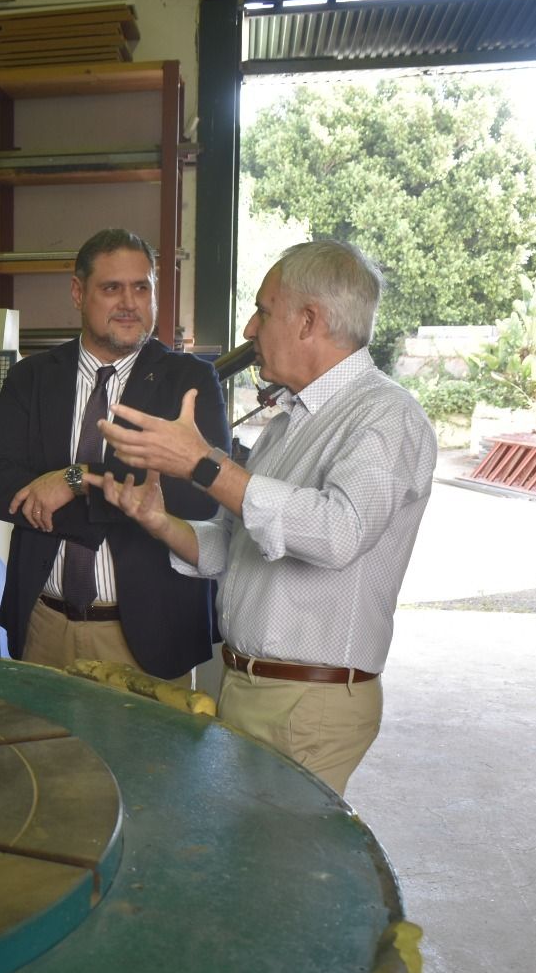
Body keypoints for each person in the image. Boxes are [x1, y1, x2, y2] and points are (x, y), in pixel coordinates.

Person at [89, 238, 435, 795]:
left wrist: (205, 465)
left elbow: (336, 533)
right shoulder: (289, 422)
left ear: (308, 321)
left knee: (286, 872)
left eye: (263, 311)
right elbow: (240, 546)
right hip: (251, 687)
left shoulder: (385, 416)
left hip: (309, 701)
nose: (249, 329)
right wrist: (161, 523)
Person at [0, 228, 229, 683]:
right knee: (45, 756)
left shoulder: (189, 382)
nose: (129, 303)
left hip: (149, 635)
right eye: (112, 288)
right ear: (78, 292)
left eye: (141, 287)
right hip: (43, 625)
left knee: (148, 758)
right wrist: (110, 503)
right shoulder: (31, 379)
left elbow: (197, 499)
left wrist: (73, 480)